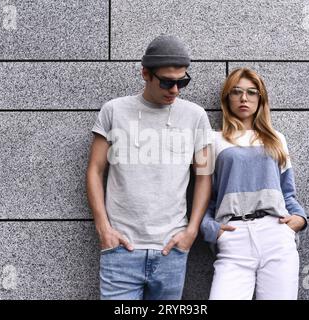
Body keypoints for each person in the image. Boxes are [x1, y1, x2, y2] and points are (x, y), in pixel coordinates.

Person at [86, 34, 213, 300]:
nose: (175, 90)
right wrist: (103, 229)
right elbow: (95, 170)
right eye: (167, 82)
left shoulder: (195, 116)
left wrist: (191, 231)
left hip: (171, 249)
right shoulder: (114, 111)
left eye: (182, 82)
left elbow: (204, 175)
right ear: (145, 73)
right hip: (121, 248)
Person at [200, 67, 308, 300]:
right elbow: (204, 196)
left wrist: (299, 219)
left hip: (276, 235)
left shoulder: (277, 139)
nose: (244, 98)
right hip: (233, 238)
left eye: (251, 92)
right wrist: (211, 229)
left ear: (261, 99)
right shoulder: (211, 140)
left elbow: (287, 192)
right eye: (236, 92)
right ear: (226, 98)